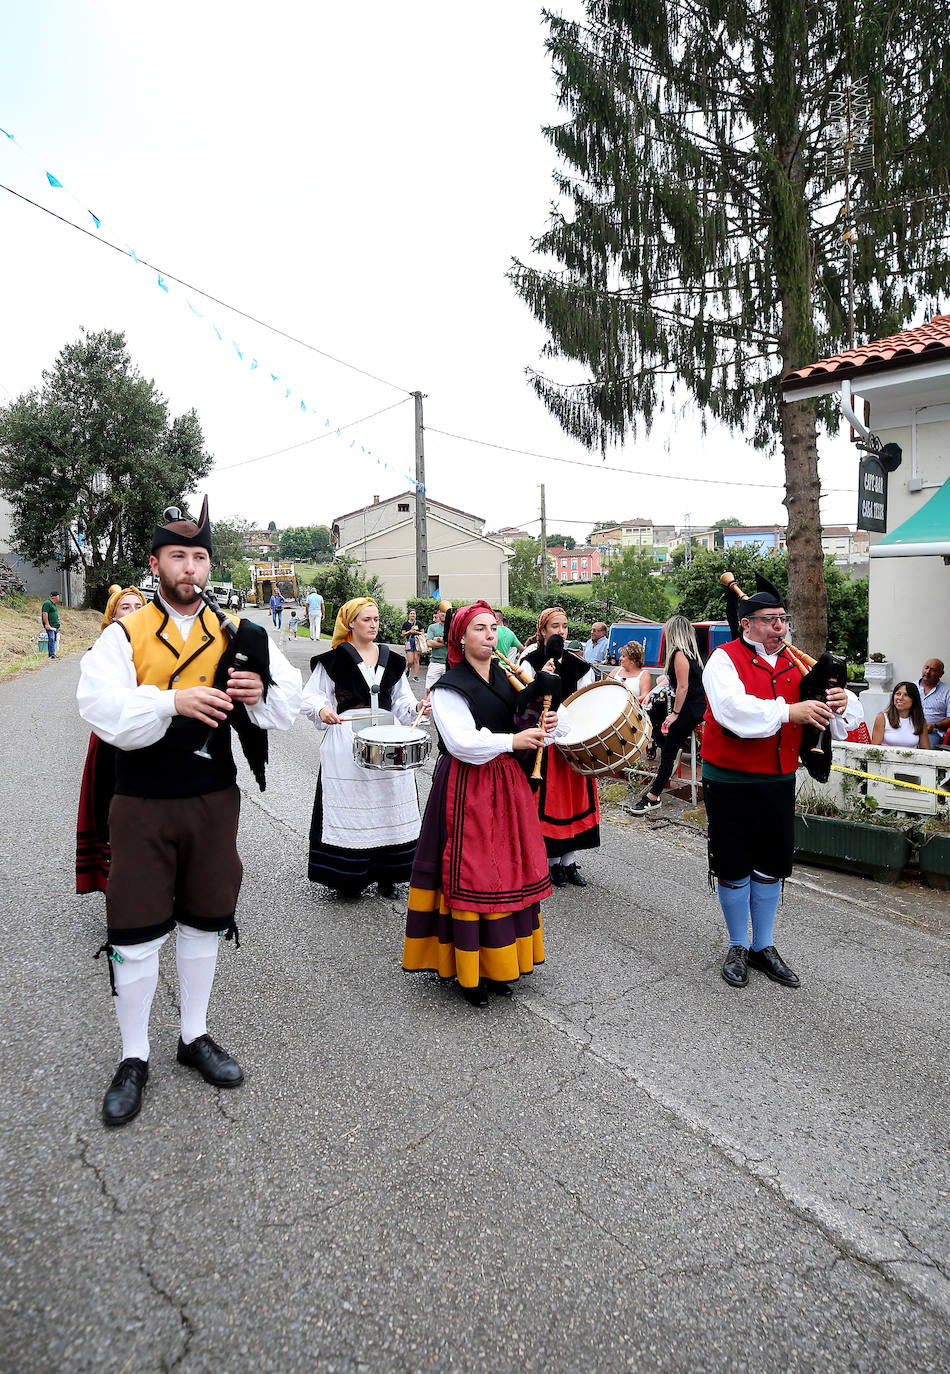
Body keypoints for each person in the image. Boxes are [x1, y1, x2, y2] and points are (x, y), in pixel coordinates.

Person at [76, 499, 302, 1128]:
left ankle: (193, 1035)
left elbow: (287, 708)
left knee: (206, 919)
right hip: (142, 802)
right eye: (178, 555)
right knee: (137, 930)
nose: (191, 566)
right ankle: (134, 1055)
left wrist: (259, 695)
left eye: (200, 555)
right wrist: (172, 701)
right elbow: (97, 706)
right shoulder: (125, 634)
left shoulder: (241, 634)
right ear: (155, 564)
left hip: (212, 799)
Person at [700, 572, 862, 991]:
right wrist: (791, 712)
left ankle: (763, 945)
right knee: (734, 864)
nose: (779, 627)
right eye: (769, 619)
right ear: (746, 624)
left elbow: (837, 724)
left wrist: (842, 704)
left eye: (783, 619)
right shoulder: (723, 659)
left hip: (777, 779)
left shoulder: (798, 665)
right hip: (730, 779)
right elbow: (732, 710)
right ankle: (738, 944)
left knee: (771, 864)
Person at [402, 602, 563, 1007]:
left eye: (493, 628)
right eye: (479, 628)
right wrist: (512, 740)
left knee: (506, 870)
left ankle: (498, 962)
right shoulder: (448, 687)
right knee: (474, 872)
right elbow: (461, 742)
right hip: (467, 787)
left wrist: (545, 725)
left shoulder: (509, 677)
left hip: (506, 786)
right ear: (461, 638)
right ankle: (468, 972)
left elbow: (525, 722)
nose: (490, 635)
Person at [302, 598, 428, 899]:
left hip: (387, 738)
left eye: (376, 619)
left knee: (389, 804)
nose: (373, 624)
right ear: (351, 624)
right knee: (354, 804)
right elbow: (310, 696)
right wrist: (322, 710)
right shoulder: (333, 660)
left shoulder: (393, 659)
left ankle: (390, 875)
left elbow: (401, 701)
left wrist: (417, 707)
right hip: (347, 740)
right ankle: (349, 878)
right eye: (367, 619)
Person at [519, 607, 599, 888]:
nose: (561, 631)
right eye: (555, 626)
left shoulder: (580, 666)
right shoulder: (529, 661)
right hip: (545, 743)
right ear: (542, 630)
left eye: (564, 626)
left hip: (571, 744)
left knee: (574, 804)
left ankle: (569, 862)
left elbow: (585, 705)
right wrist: (540, 678)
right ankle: (550, 862)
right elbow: (522, 704)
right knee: (551, 803)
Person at [76, 586, 147, 895]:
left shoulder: (157, 648)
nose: (132, 613)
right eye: (124, 608)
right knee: (115, 811)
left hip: (152, 744)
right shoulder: (100, 652)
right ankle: (119, 887)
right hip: (111, 743)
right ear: (112, 616)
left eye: (137, 607)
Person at [628, 616, 707, 814]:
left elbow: (682, 687)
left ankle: (653, 797)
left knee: (667, 750)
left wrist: (675, 714)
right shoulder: (692, 654)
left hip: (689, 709)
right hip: (698, 707)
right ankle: (671, 748)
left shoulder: (679, 654)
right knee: (660, 731)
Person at [871, 681, 931, 749]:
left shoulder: (920, 721)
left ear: (914, 700)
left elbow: (926, 750)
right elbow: (875, 748)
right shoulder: (882, 718)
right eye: (898, 694)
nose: (900, 698)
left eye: (906, 695)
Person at [918, 659, 950, 747]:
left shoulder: (947, 691)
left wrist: (935, 726)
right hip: (909, 729)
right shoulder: (911, 687)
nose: (928, 672)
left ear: (941, 673)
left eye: (933, 670)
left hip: (933, 733)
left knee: (926, 749)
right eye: (926, 668)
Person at [424, 602, 450, 690]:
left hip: (449, 664)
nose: (443, 614)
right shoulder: (432, 627)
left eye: (445, 611)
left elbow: (454, 642)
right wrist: (446, 641)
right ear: (438, 613)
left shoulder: (453, 627)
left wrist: (436, 639)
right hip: (435, 663)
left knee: (449, 693)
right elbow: (429, 643)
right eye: (441, 611)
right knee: (429, 690)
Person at [400, 607, 423, 681]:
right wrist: (410, 631)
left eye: (414, 613)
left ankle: (416, 676)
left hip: (417, 642)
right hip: (409, 642)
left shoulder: (418, 623)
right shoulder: (405, 624)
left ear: (416, 615)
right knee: (410, 661)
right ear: (408, 615)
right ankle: (408, 668)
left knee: (416, 659)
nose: (412, 615)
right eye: (411, 613)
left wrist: (416, 632)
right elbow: (403, 634)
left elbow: (423, 633)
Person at [41, 590, 61, 659]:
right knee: (51, 639)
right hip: (50, 625)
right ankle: (51, 655)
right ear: (55, 597)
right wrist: (47, 624)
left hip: (55, 626)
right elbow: (45, 613)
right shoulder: (47, 603)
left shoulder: (53, 604)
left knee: (54, 639)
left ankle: (53, 653)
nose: (59, 598)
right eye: (58, 596)